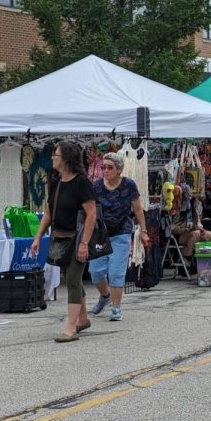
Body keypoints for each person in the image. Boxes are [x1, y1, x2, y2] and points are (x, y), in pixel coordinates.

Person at [30, 141, 96, 342]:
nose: (52, 158)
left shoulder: (81, 182)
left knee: (74, 279)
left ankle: (71, 327)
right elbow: (49, 212)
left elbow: (91, 213)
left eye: (55, 155)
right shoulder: (57, 183)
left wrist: (84, 243)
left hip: (77, 238)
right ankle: (83, 318)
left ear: (66, 159)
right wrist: (38, 236)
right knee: (72, 278)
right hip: (61, 237)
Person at [88, 152, 150, 322]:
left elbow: (137, 209)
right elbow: (90, 209)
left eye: (110, 167)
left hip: (121, 232)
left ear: (119, 169)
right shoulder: (97, 186)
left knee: (116, 272)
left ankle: (116, 307)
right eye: (103, 167)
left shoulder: (129, 185)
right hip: (100, 234)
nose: (106, 170)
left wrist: (143, 231)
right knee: (95, 271)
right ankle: (104, 296)